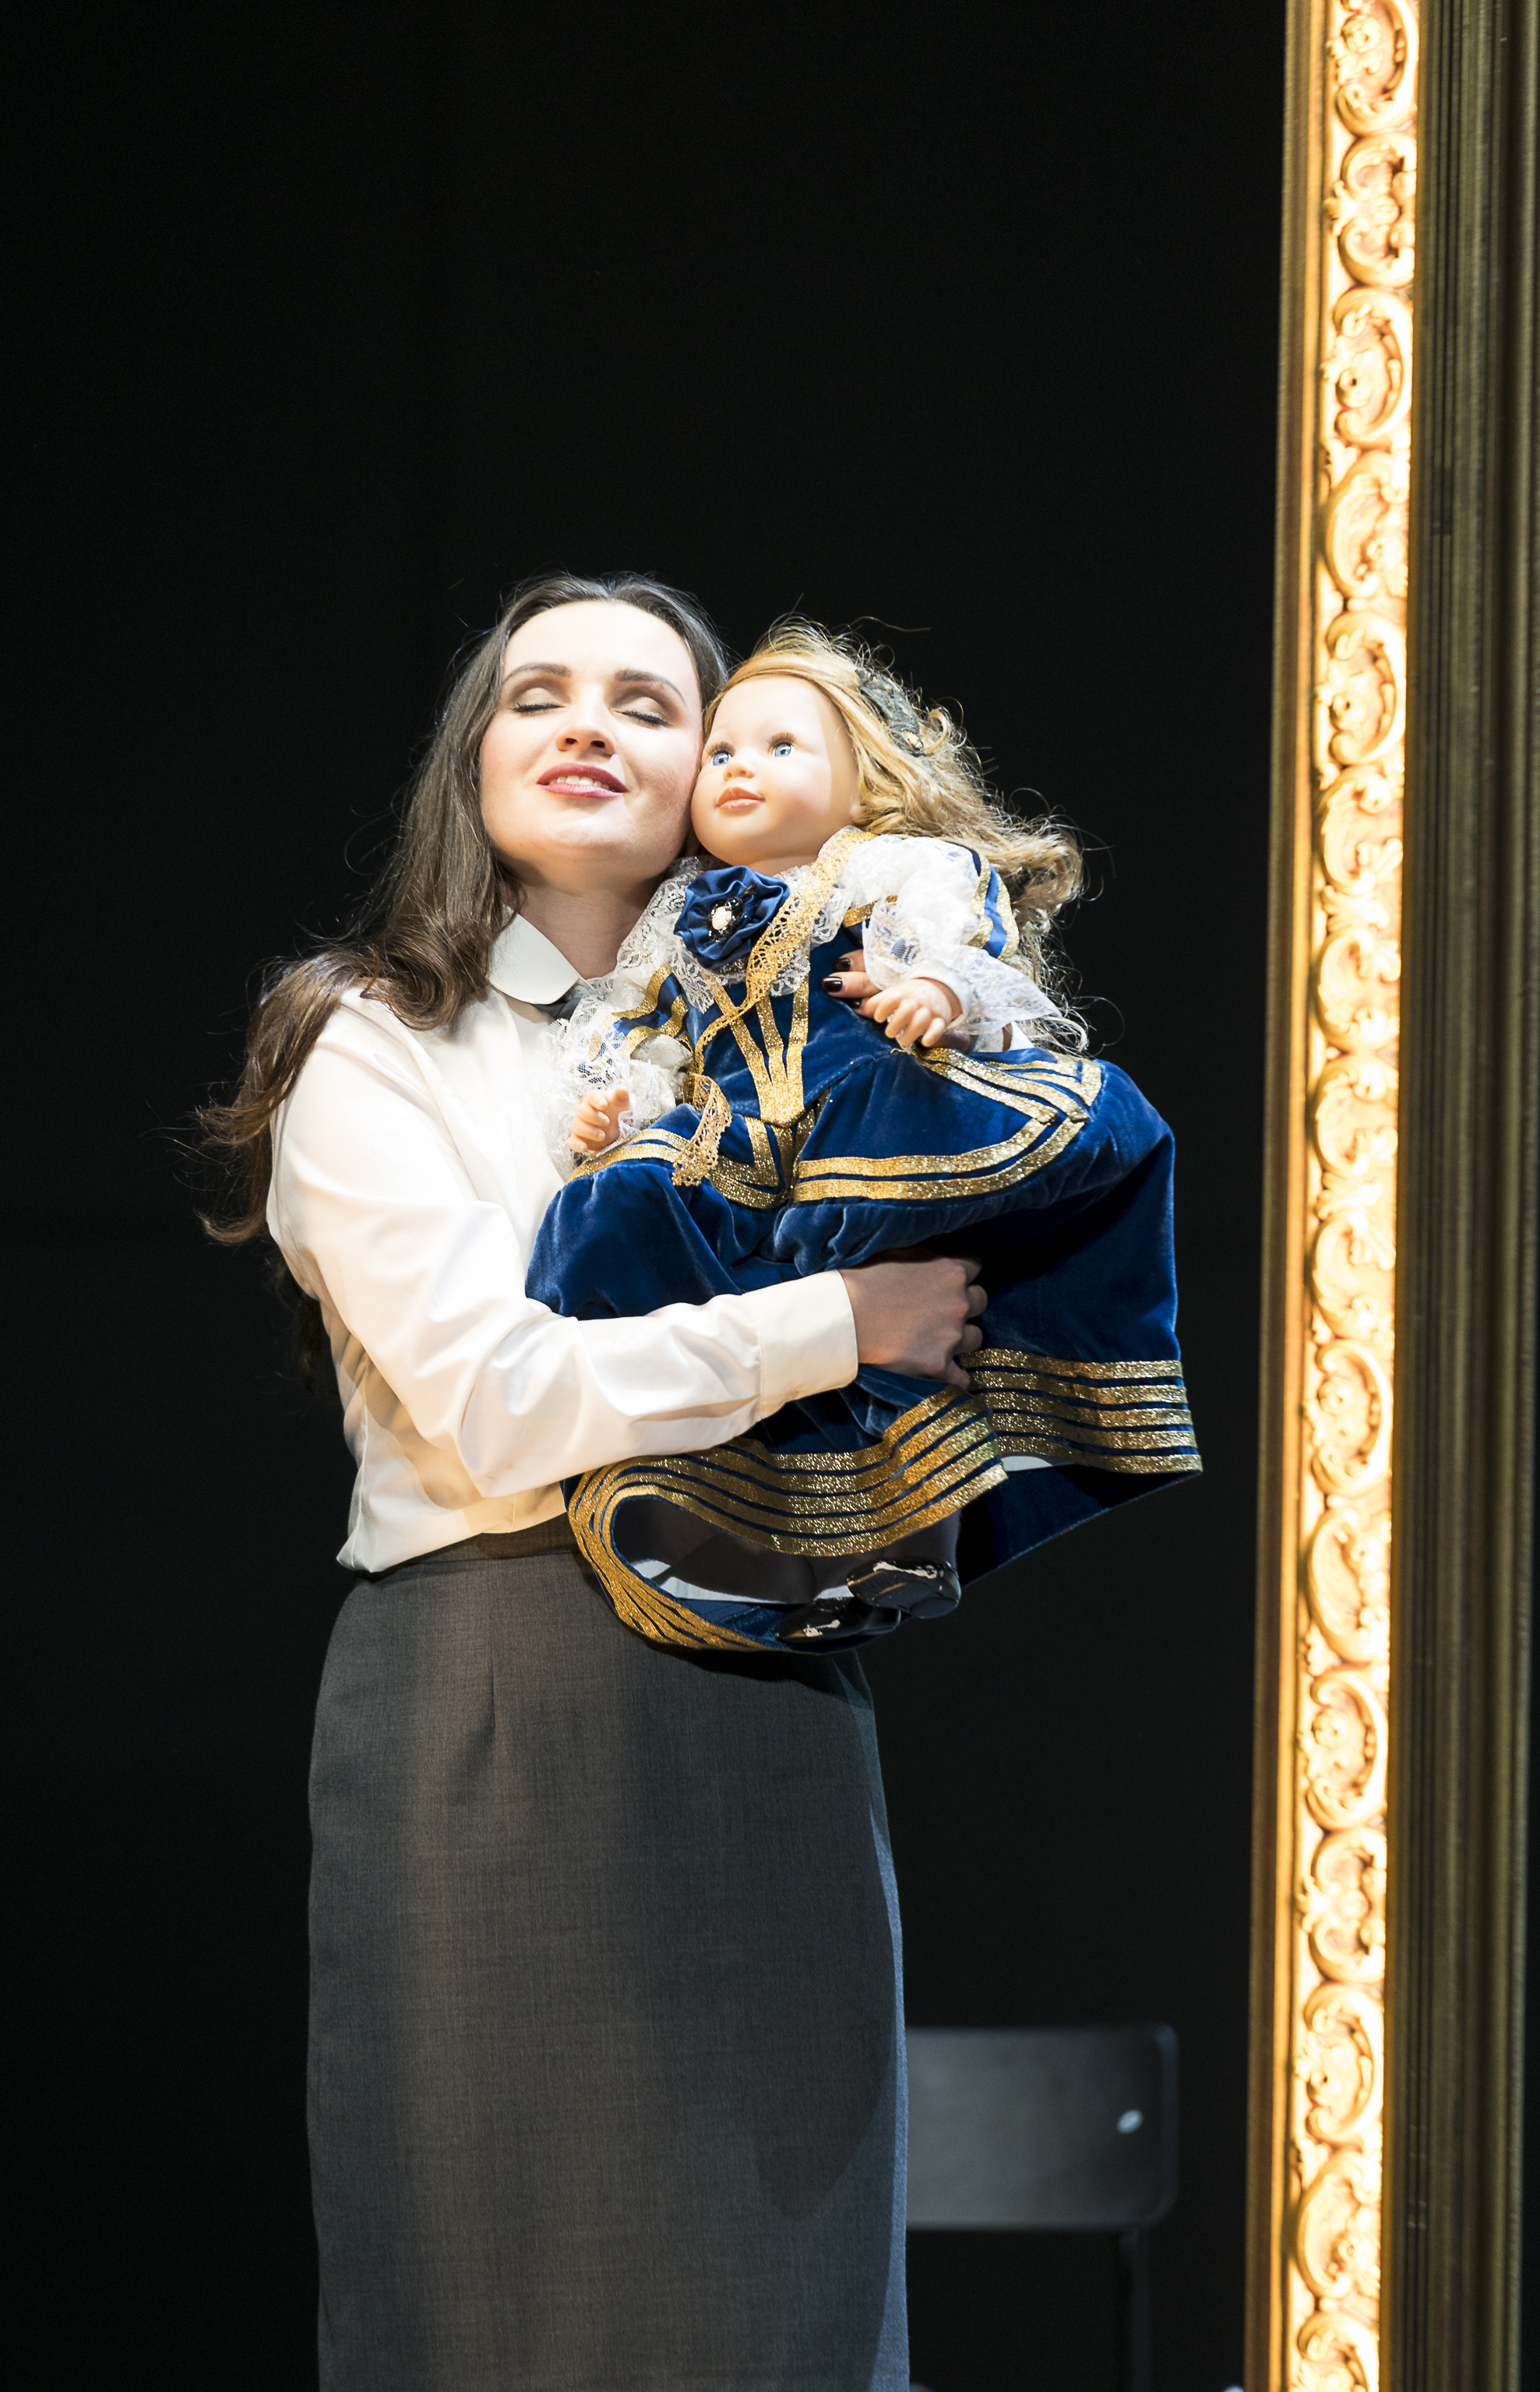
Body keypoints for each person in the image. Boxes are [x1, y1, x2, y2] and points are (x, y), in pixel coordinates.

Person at [200, 572, 988, 2392]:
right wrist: (831, 1323)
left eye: (647, 705)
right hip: (500, 1694)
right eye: (537, 692)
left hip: (767, 1687)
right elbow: (495, 1402)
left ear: (727, 770)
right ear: (471, 757)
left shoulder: (823, 1021)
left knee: (783, 2321)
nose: (586, 727)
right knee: (500, 2307)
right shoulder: (373, 1040)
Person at [523, 626, 1200, 1657]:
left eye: (780, 747)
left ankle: (923, 1534)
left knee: (905, 1293)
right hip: (743, 1144)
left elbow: (971, 949)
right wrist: (618, 1107)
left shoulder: (887, 870)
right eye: (721, 752)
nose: (741, 767)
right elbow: (641, 1030)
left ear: (862, 778)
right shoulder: (677, 920)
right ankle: (766, 1533)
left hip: (868, 1115)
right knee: (620, 1209)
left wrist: (933, 990)